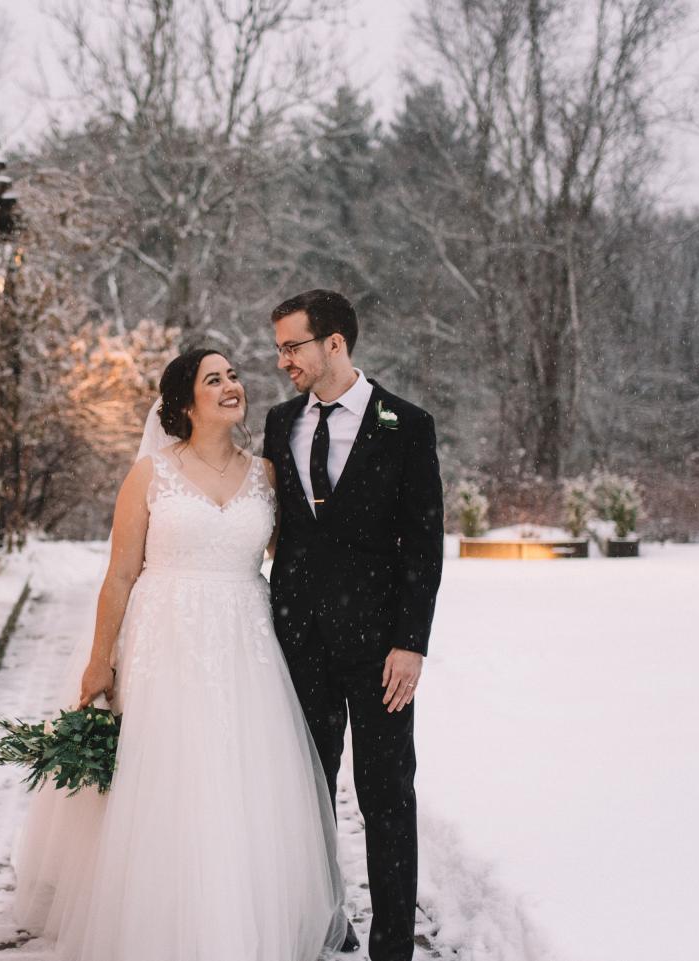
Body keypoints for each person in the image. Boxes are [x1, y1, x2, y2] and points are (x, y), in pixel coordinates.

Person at [10, 347, 346, 961]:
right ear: (185, 403)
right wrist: (100, 659)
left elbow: (295, 559)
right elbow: (119, 575)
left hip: (246, 644)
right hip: (163, 640)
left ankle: (239, 918)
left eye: (234, 375)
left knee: (242, 775)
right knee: (168, 774)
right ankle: (159, 921)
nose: (231, 386)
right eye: (213, 379)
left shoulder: (267, 475)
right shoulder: (151, 475)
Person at [263, 289, 445, 961]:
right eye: (279, 348)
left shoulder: (407, 425)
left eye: (292, 346)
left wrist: (411, 643)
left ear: (334, 342)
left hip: (380, 652)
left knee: (387, 796)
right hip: (298, 642)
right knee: (306, 794)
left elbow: (423, 545)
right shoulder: (280, 422)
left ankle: (391, 946)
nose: (283, 360)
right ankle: (320, 923)